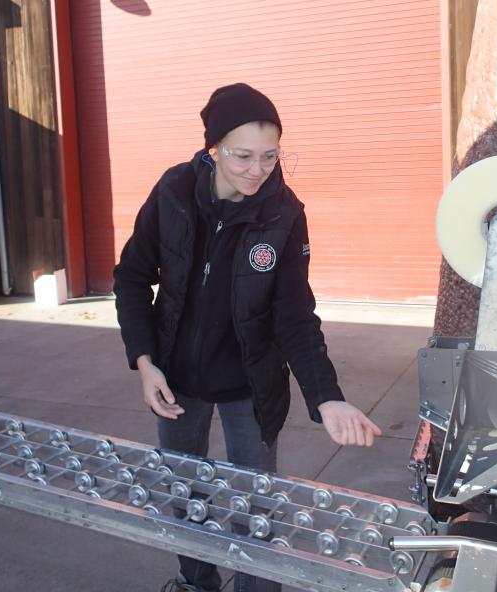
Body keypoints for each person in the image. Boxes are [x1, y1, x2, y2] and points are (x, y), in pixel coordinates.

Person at [113, 82, 382, 592]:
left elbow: (295, 315)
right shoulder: (173, 192)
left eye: (270, 156)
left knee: (255, 501)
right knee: (186, 489)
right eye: (242, 156)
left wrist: (327, 399)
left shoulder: (283, 213)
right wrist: (145, 362)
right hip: (176, 379)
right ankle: (195, 582)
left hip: (251, 384)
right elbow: (131, 276)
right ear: (212, 149)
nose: (258, 169)